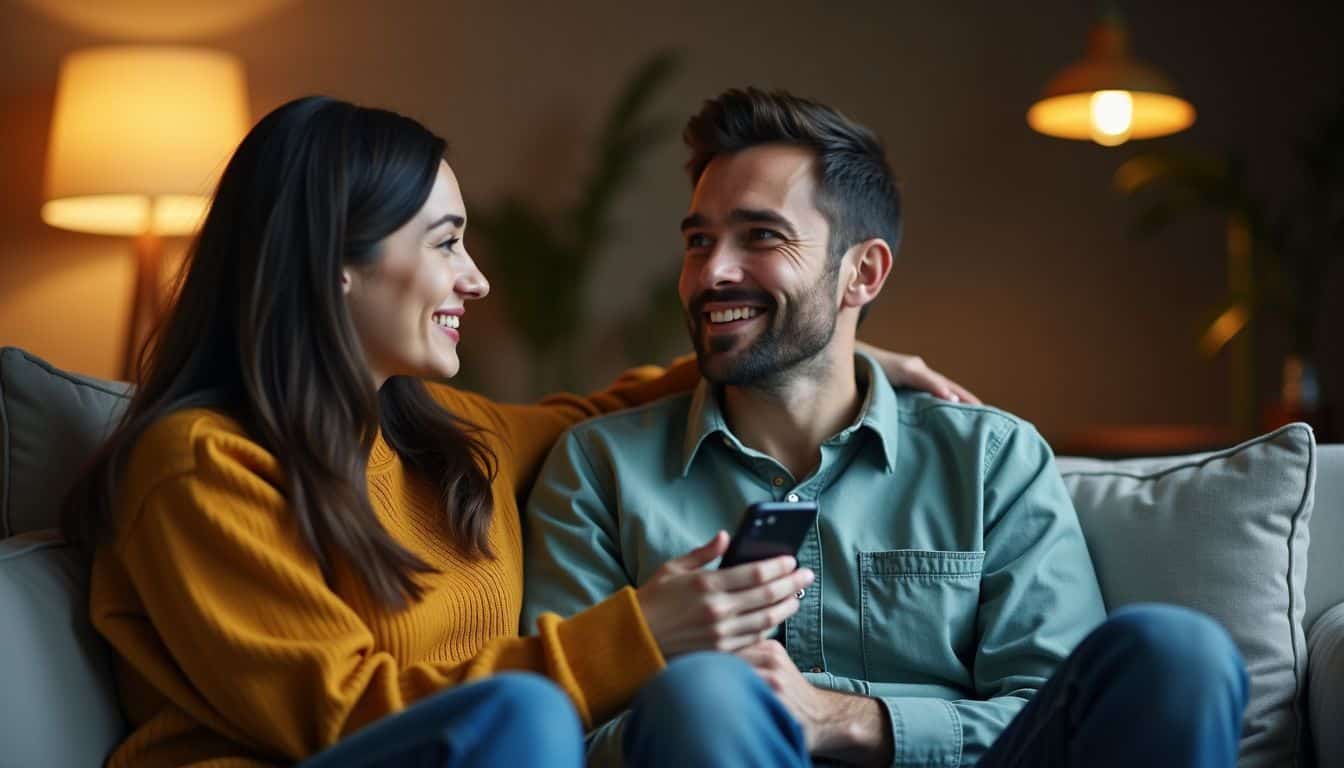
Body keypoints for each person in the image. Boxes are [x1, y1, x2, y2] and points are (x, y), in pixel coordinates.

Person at [60, 95, 969, 768]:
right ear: (335, 261)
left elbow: (604, 410)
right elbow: (333, 714)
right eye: (447, 242)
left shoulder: (443, 434)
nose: (477, 281)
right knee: (525, 721)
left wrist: (831, 352)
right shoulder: (198, 467)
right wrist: (640, 631)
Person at [522, 88, 1251, 768]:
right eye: (698, 241)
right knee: (704, 691)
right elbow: (563, 732)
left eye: (761, 236)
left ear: (863, 274)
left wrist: (845, 718)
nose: (713, 272)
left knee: (1179, 650)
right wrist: (707, 699)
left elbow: (1048, 707)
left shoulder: (989, 458)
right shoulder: (598, 469)